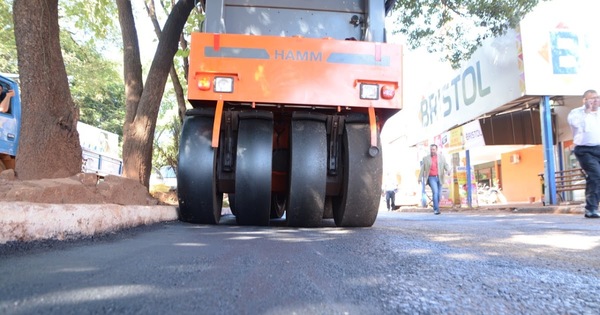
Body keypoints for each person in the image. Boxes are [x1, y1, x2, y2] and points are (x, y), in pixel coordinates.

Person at [567, 89, 600, 219]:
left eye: (597, 97)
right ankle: (591, 209)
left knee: (596, 178)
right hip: (585, 150)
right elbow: (576, 125)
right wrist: (587, 111)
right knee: (596, 176)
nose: (595, 100)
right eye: (592, 98)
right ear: (584, 100)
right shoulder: (576, 113)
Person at [418, 144, 450, 215]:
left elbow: (445, 165)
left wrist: (448, 170)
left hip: (440, 177)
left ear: (436, 150)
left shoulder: (442, 157)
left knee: (439, 194)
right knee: (435, 192)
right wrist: (419, 178)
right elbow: (422, 169)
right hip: (431, 177)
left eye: (433, 149)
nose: (432, 151)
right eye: (431, 149)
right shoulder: (426, 158)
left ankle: (436, 206)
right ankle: (436, 209)